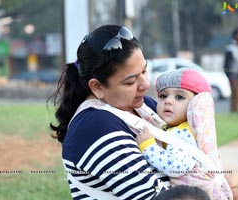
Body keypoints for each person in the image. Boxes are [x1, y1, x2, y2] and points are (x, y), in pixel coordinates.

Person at [48, 24, 186, 200]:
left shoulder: (145, 106)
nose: (145, 84)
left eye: (144, 71)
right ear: (97, 87)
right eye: (130, 82)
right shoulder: (95, 127)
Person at [136, 68, 238, 200]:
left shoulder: (183, 133)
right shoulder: (177, 128)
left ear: (195, 106)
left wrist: (148, 146)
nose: (168, 101)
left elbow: (175, 166)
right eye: (163, 96)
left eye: (179, 97)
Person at [224, 27, 238, 112]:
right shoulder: (230, 48)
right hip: (234, 77)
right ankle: (235, 112)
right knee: (235, 97)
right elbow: (227, 65)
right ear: (235, 36)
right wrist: (230, 77)